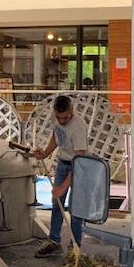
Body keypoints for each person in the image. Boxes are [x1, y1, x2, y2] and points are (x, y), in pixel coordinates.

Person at [33, 95, 88, 257]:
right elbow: (56, 136)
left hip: (78, 165)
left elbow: (79, 159)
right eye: (59, 117)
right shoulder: (55, 117)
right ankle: (54, 241)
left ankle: (75, 246)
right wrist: (45, 153)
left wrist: (63, 186)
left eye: (65, 118)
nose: (62, 121)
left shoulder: (78, 127)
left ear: (72, 111)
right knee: (56, 203)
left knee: (75, 208)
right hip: (63, 163)